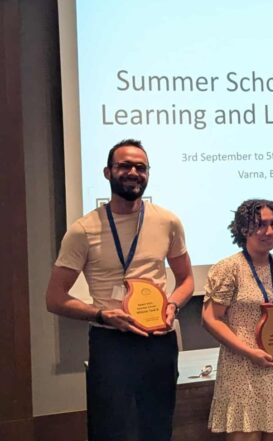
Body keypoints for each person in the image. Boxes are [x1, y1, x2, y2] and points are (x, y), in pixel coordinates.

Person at [45, 139, 194, 441]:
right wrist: (102, 315)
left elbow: (187, 280)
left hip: (159, 340)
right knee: (111, 431)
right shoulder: (83, 230)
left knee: (158, 429)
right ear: (108, 172)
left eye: (141, 167)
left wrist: (173, 305)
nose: (133, 172)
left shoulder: (167, 221)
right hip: (111, 342)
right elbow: (54, 298)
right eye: (125, 166)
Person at [201, 199, 273, 441]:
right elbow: (210, 319)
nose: (269, 231)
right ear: (243, 229)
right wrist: (249, 352)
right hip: (242, 368)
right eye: (260, 225)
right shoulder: (229, 268)